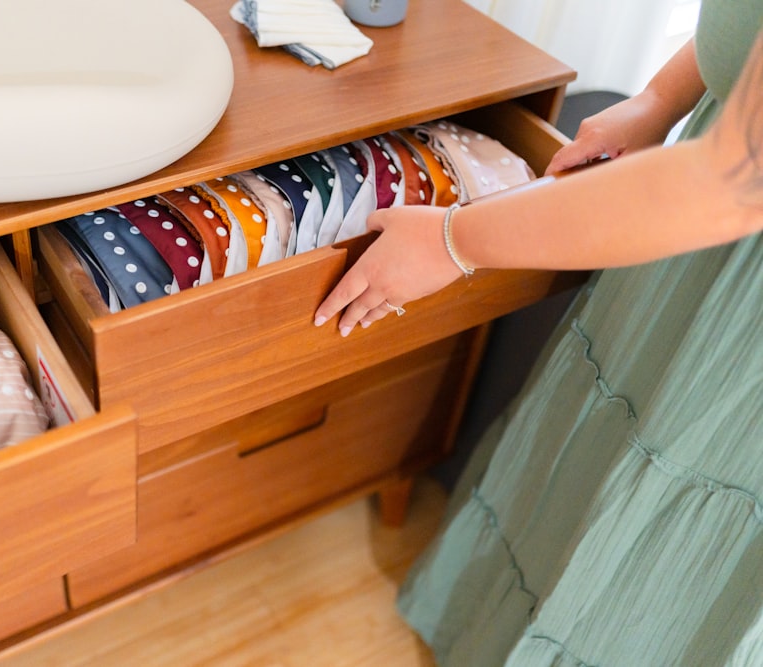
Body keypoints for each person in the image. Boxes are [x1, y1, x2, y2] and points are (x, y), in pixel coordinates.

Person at [314, 0, 763, 664]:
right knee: (609, 450)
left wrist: (452, 241)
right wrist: (660, 99)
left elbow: (735, 182)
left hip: (735, 287)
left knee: (683, 548)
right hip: (697, 237)